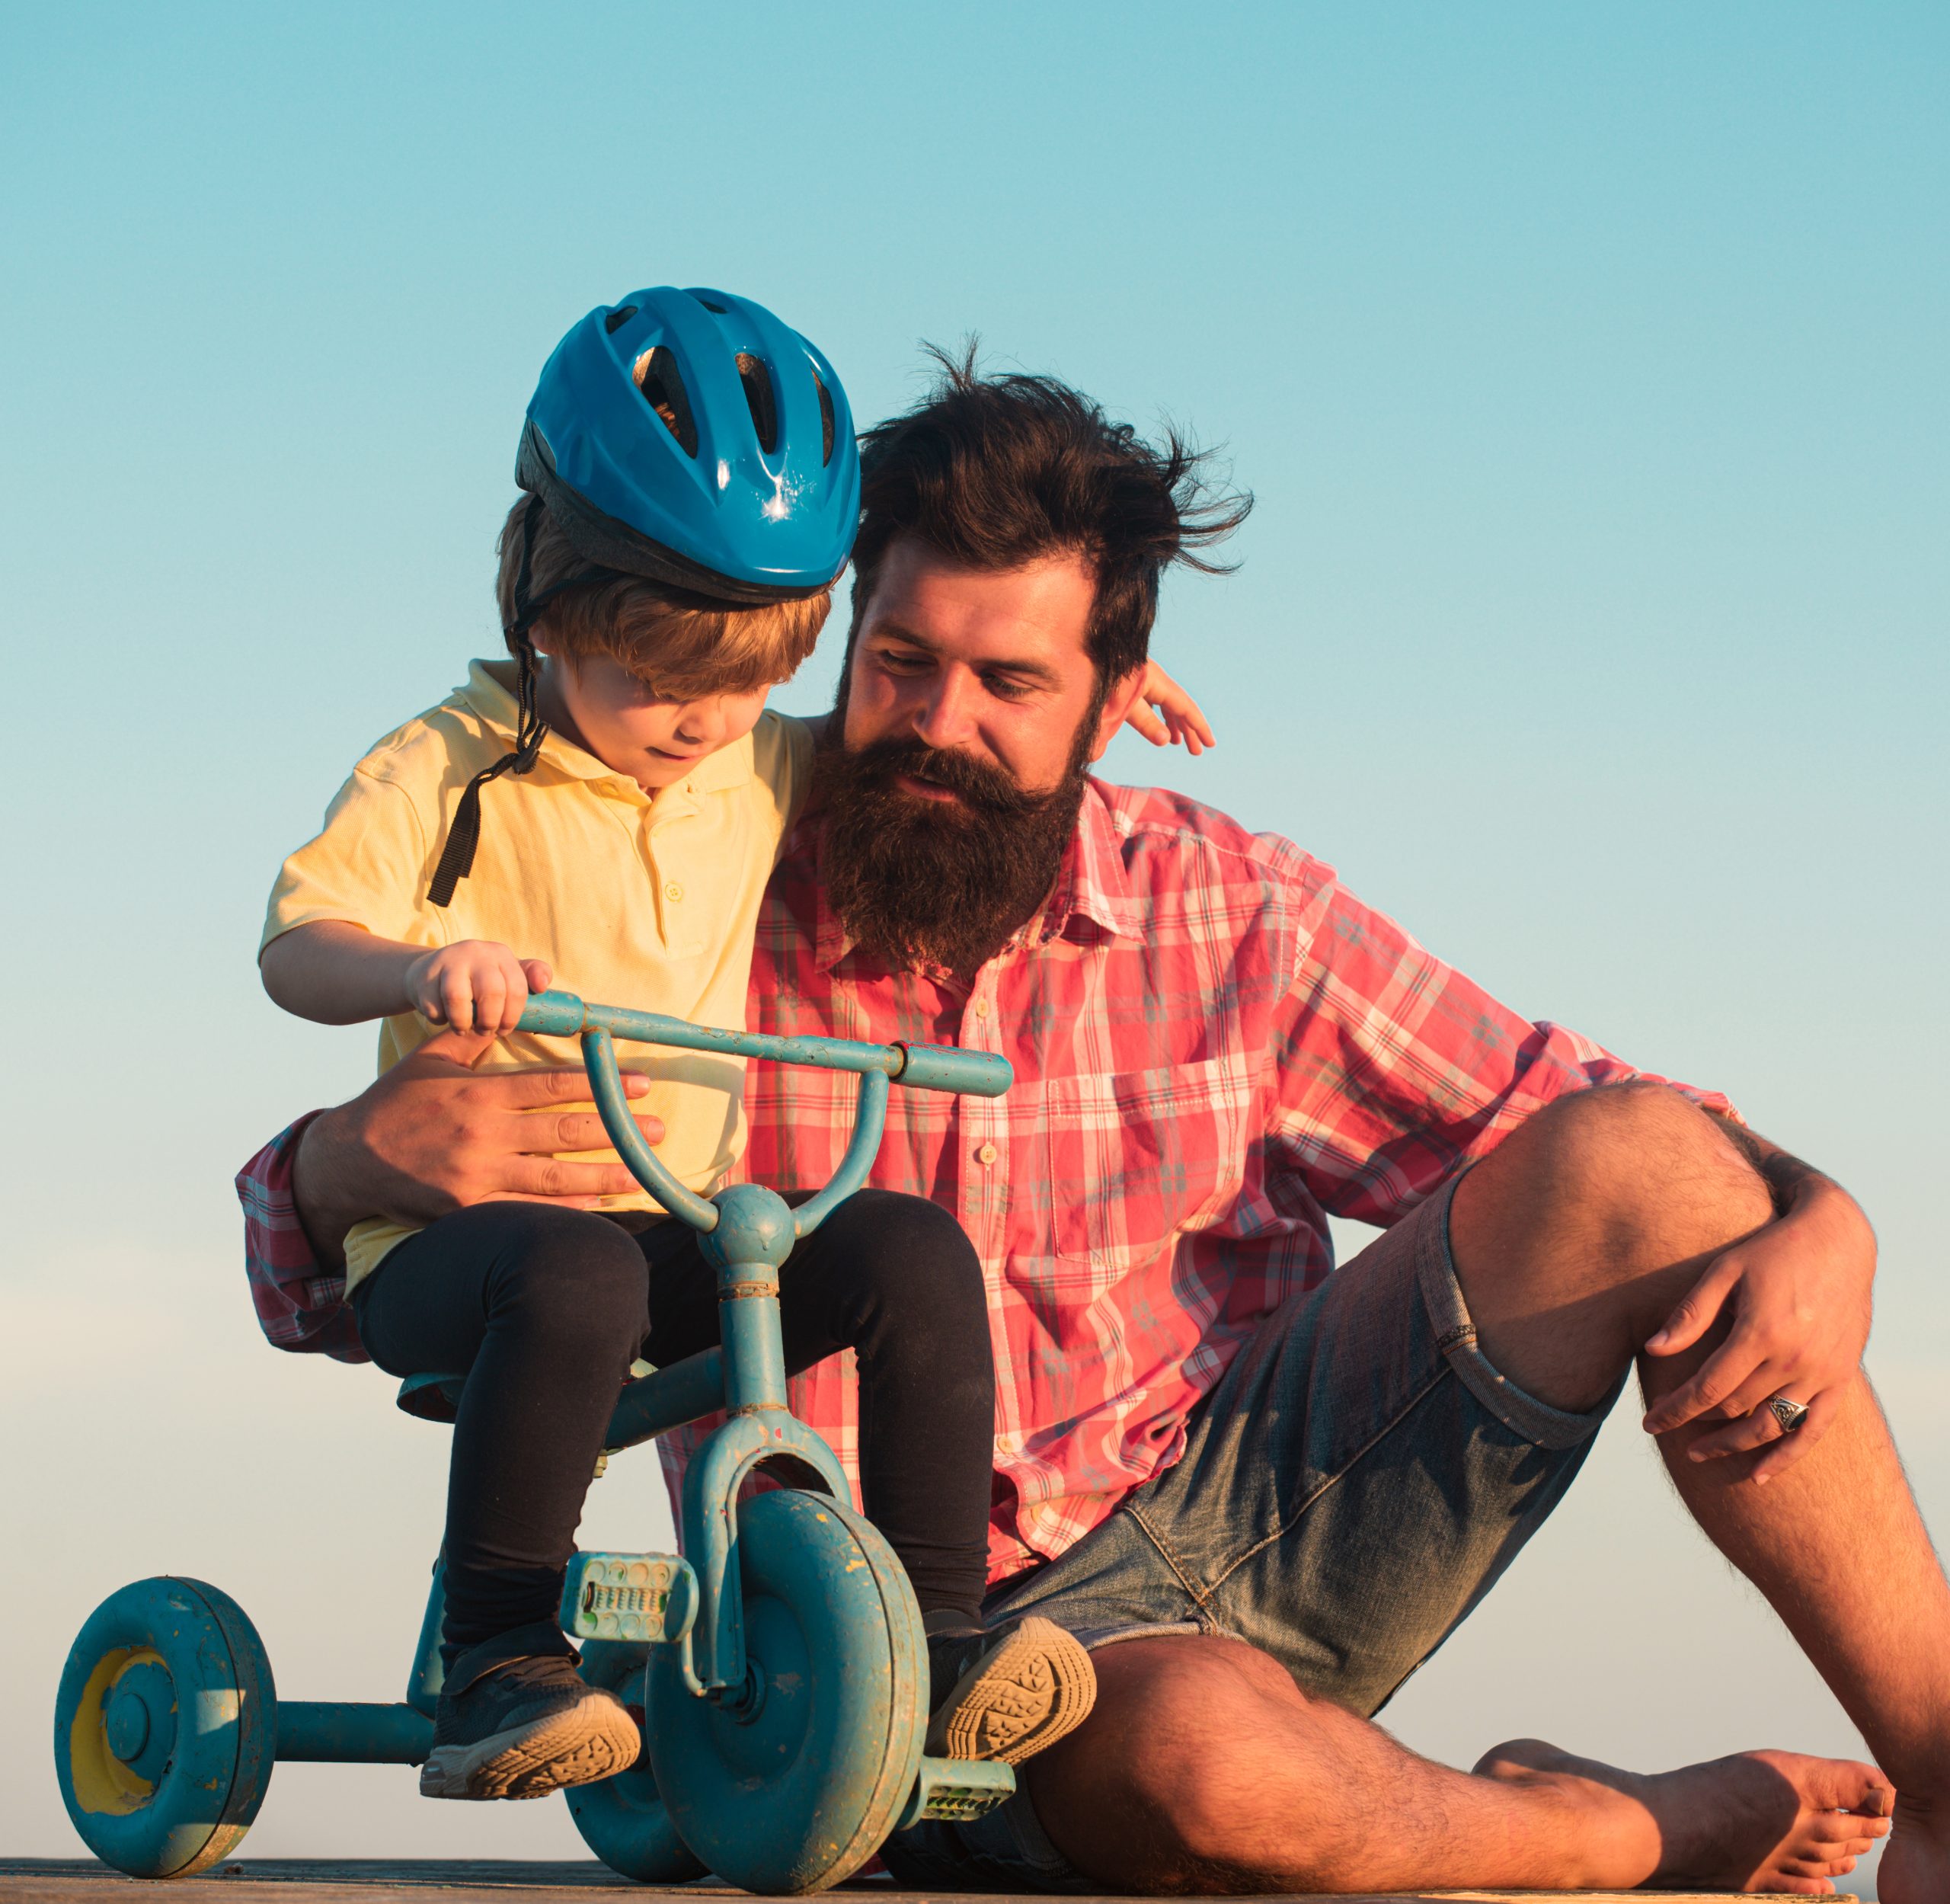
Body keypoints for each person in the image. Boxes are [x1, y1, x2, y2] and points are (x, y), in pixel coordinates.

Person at [240, 351, 1950, 1899]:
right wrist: (343, 1163)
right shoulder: (700, 880)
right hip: (927, 1648)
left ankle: (1945, 1788)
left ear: (1115, 689)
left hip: (1273, 1506)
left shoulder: (1229, 902)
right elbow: (400, 1279)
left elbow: (1609, 1130)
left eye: (1009, 681)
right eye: (901, 661)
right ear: (838, 638)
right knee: (1203, 1754)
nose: (939, 722)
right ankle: (1602, 1829)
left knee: (1650, 1173)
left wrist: (1820, 1214)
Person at [256, 293, 1204, 1805]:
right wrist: (425, 964)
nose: (701, 719)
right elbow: (296, 943)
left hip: (663, 1226)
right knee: (572, 1274)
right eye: (656, 679)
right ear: (545, 601)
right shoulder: (452, 763)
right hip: (451, 1247)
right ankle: (496, 1660)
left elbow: (950, 736)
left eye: (747, 680)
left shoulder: (753, 764)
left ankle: (942, 1641)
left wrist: (1091, 684)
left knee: (900, 1247)